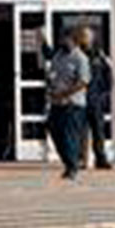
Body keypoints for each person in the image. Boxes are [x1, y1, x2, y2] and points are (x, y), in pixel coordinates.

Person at [46, 27, 91, 180]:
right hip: (57, 102)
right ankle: (68, 162)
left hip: (73, 104)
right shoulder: (58, 55)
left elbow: (83, 82)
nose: (62, 42)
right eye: (61, 39)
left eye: (66, 39)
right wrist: (51, 86)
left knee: (69, 136)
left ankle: (72, 167)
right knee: (54, 131)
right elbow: (52, 74)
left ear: (73, 40)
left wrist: (65, 93)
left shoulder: (80, 58)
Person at [78, 27, 114, 170]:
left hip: (95, 99)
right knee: (81, 132)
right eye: (83, 36)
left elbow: (108, 75)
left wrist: (104, 94)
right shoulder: (76, 54)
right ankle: (81, 159)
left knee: (98, 130)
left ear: (92, 38)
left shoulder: (99, 55)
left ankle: (100, 159)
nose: (85, 38)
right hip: (79, 98)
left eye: (87, 36)